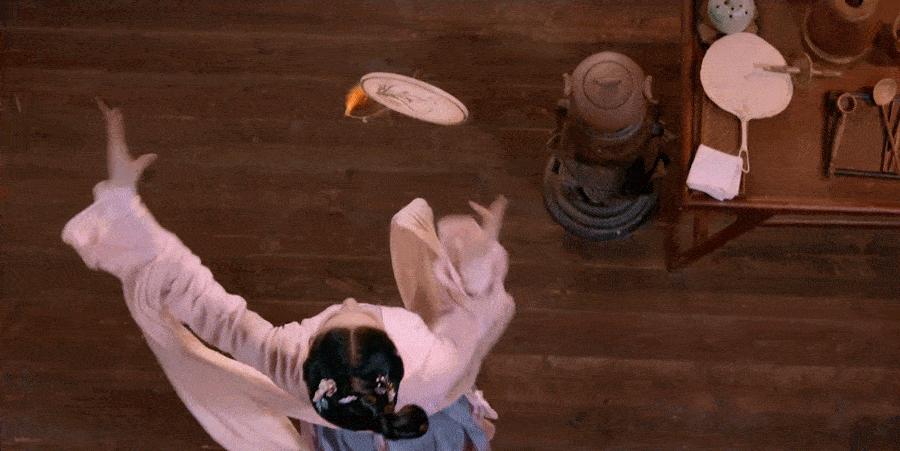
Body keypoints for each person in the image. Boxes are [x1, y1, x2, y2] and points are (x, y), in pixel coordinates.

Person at [62, 99, 515, 451]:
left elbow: (206, 305)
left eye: (337, 315)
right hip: (421, 427)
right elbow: (472, 316)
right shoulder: (435, 364)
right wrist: (475, 264)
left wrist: (124, 206)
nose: (350, 302)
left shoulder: (288, 355)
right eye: (361, 313)